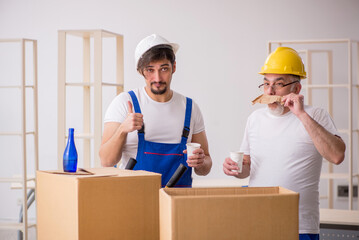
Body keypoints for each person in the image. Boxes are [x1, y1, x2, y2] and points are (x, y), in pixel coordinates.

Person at [223, 47, 345, 240]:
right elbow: (247, 168)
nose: (270, 91)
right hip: (256, 222)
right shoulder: (255, 119)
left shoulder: (316, 115)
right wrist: (236, 169)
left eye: (278, 84)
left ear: (296, 88)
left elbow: (337, 155)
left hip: (299, 226)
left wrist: (301, 114)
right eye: (265, 84)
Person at [100, 34, 212, 187]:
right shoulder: (124, 103)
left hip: (178, 204)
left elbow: (205, 167)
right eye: (150, 70)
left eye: (164, 69)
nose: (157, 78)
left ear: (174, 67)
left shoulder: (190, 108)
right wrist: (122, 130)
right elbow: (106, 161)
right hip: (134, 201)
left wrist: (201, 162)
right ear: (141, 71)